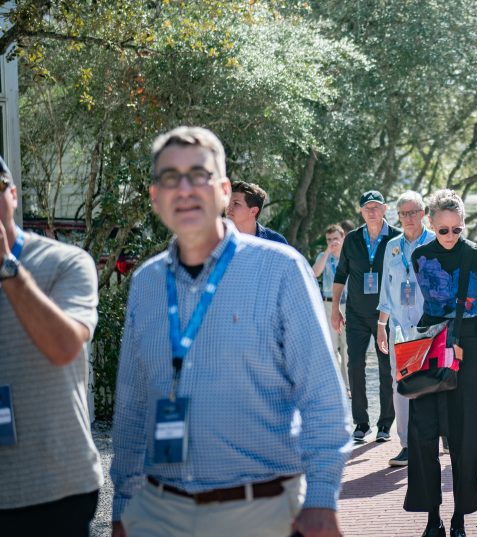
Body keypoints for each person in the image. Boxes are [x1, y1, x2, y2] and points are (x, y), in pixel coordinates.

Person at [109, 127, 349, 537]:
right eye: (170, 178)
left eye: (198, 176)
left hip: (260, 512)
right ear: (155, 196)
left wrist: (322, 499)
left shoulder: (280, 270)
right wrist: (122, 509)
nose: (184, 190)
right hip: (158, 513)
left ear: (223, 191)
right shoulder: (147, 283)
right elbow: (132, 407)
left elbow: (322, 397)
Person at [0, 155, 103, 536]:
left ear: (13, 194)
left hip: (55, 490)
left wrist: (6, 266)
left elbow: (63, 348)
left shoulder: (66, 262)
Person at [405, 189, 477, 537]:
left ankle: (459, 517)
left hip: (470, 345)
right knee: (423, 433)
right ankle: (433, 517)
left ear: (464, 225)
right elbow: (426, 300)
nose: (449, 236)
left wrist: (469, 331)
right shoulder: (420, 255)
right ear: (430, 224)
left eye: (456, 230)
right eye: (442, 230)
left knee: (465, 435)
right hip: (430, 344)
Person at [376, 191, 435, 468]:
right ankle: (407, 445)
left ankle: (435, 437)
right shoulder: (393, 246)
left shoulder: (435, 242)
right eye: (403, 214)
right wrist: (381, 325)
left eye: (413, 212)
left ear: (423, 214)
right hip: (400, 327)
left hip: (430, 326)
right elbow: (386, 289)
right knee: (400, 383)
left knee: (432, 382)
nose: (408, 218)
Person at [333, 190, 396, 443]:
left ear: (385, 209)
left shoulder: (395, 238)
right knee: (355, 365)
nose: (371, 211)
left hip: (386, 313)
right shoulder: (352, 239)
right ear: (361, 211)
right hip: (356, 314)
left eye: (376, 206)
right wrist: (335, 307)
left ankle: (385, 424)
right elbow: (340, 274)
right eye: (367, 207)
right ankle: (361, 422)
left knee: (386, 367)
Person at [312, 223, 350, 392]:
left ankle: (349, 386)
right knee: (332, 347)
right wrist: (328, 252)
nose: (333, 241)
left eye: (336, 238)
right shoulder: (323, 255)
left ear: (343, 238)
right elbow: (314, 273)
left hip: (348, 304)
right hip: (328, 304)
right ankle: (337, 387)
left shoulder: (350, 256)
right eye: (329, 239)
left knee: (348, 347)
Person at [226, 180, 289, 245]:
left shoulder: (276, 242)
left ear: (253, 211)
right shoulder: (218, 238)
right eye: (228, 202)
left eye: (236, 203)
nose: (228, 207)